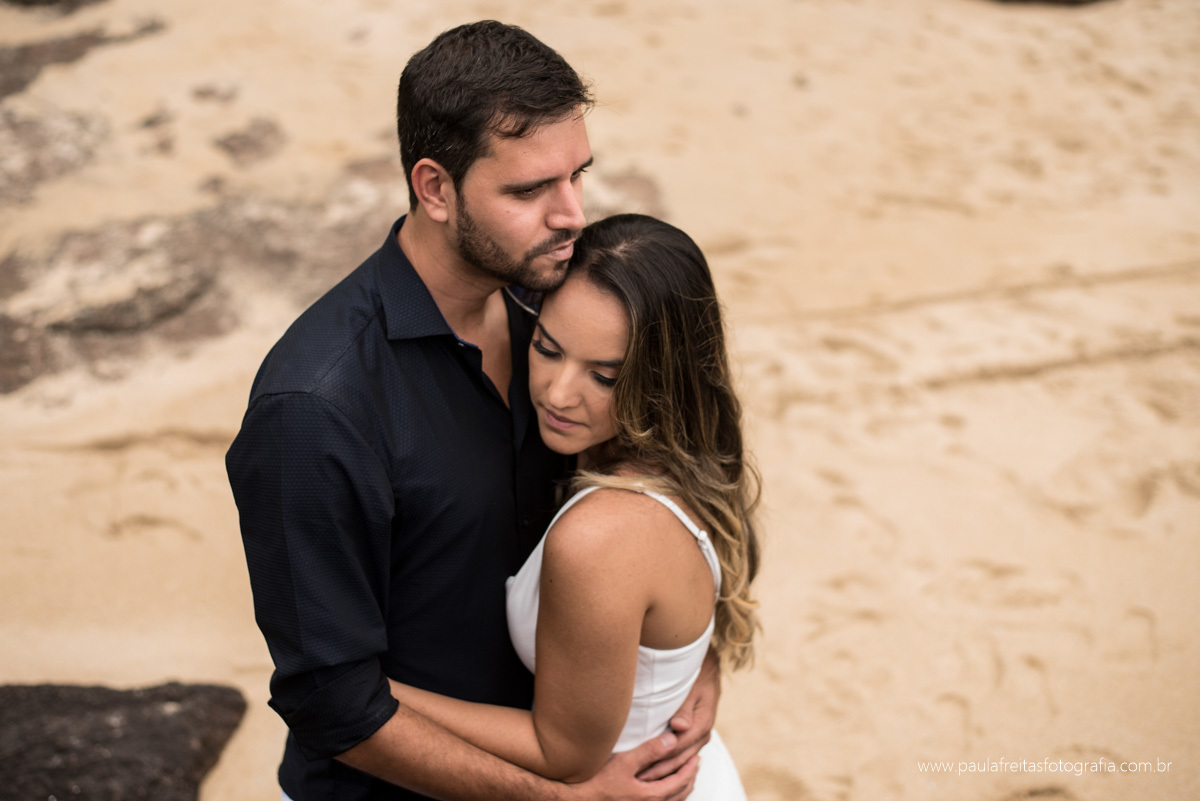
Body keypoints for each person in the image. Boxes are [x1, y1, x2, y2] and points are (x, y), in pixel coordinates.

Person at [226, 21, 716, 801]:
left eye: (577, 176)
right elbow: (332, 701)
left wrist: (685, 664)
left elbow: (679, 472)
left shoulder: (556, 314)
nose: (571, 216)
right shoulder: (315, 409)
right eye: (529, 190)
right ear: (435, 188)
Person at [387, 213, 762, 800]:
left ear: (663, 380)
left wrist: (373, 694)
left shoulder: (599, 537)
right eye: (547, 347)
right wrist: (691, 668)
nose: (558, 395)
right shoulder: (687, 460)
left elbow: (562, 752)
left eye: (605, 376)